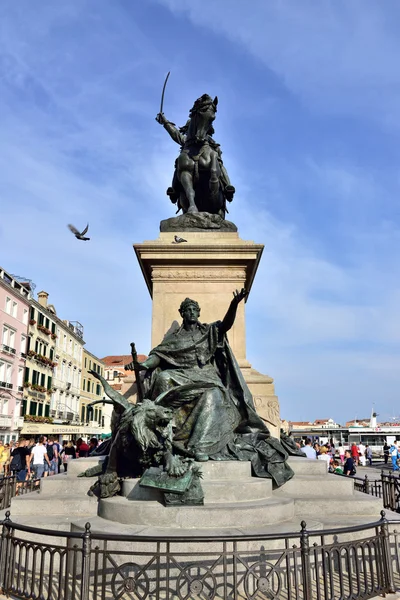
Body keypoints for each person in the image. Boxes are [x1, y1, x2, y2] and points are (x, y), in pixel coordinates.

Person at [120, 291, 294, 486]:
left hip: (206, 376)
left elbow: (226, 324)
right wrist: (143, 365)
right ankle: (164, 433)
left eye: (195, 309)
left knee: (213, 395)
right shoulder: (174, 339)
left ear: (199, 313)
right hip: (182, 375)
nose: (192, 312)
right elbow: (159, 356)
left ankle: (199, 444)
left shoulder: (208, 332)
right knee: (163, 377)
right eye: (188, 310)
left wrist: (234, 303)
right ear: (182, 313)